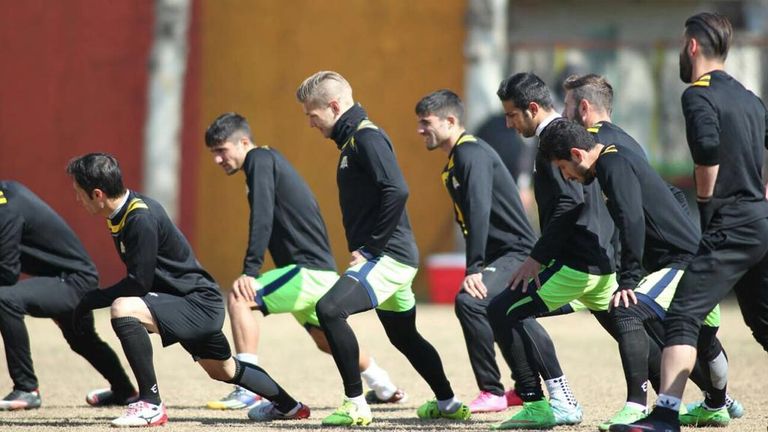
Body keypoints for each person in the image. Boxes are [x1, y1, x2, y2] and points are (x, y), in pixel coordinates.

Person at [67, 153, 308, 427]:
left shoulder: (139, 218)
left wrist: (89, 300)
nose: (78, 199)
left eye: (79, 193)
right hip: (187, 300)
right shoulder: (123, 213)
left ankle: (150, 404)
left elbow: (138, 284)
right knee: (224, 369)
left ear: (97, 194)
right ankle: (290, 407)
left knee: (124, 307)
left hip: (197, 303)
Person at [612, 12, 768, 432]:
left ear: (693, 46)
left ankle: (664, 416)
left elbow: (707, 149)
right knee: (763, 322)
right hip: (759, 221)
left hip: (729, 224)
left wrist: (705, 202)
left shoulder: (698, 95)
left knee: (683, 315)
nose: (683, 50)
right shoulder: (750, 98)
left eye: (683, 44)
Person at [560, 74, 743, 428]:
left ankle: (637, 406)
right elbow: (668, 195)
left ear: (583, 109)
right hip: (690, 257)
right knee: (700, 338)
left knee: (628, 311)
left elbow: (629, 218)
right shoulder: (627, 142)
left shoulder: (601, 150)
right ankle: (718, 403)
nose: (563, 113)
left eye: (567, 105)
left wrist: (627, 274)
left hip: (677, 261)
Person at [296, 71, 470, 426]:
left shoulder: (366, 137)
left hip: (388, 257)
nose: (311, 124)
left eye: (313, 115)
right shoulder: (351, 143)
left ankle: (355, 404)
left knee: (328, 309)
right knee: (405, 336)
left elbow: (397, 190)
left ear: (333, 106)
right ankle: (449, 402)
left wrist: (371, 248)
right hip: (392, 258)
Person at [203, 112, 405, 415]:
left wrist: (250, 271)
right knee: (326, 340)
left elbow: (262, 217)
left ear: (244, 142)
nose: (218, 159)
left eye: (221, 150)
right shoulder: (266, 162)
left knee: (239, 297)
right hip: (316, 272)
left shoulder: (258, 158)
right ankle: (384, 386)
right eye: (213, 153)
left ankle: (249, 389)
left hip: (306, 271)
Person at [414, 89, 579, 418]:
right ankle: (522, 388)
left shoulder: (469, 153)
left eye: (426, 122)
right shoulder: (458, 157)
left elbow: (478, 210)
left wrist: (473, 267)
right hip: (501, 255)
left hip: (516, 252)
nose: (420, 130)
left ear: (450, 120)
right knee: (502, 310)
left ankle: (491, 391)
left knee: (471, 301)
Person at [487, 72, 618, 429]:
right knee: (628, 328)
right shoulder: (559, 135)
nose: (508, 123)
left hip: (576, 261)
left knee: (503, 308)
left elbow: (569, 204)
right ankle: (705, 397)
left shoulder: (555, 141)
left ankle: (547, 401)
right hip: (597, 259)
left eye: (513, 115)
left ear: (532, 109)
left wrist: (537, 257)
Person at [0, 180, 136, 410]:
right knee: (82, 340)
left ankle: (26, 388)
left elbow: (7, 273)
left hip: (74, 282)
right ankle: (125, 391)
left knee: (4, 299)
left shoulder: (6, 207)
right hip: (61, 279)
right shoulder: (6, 194)